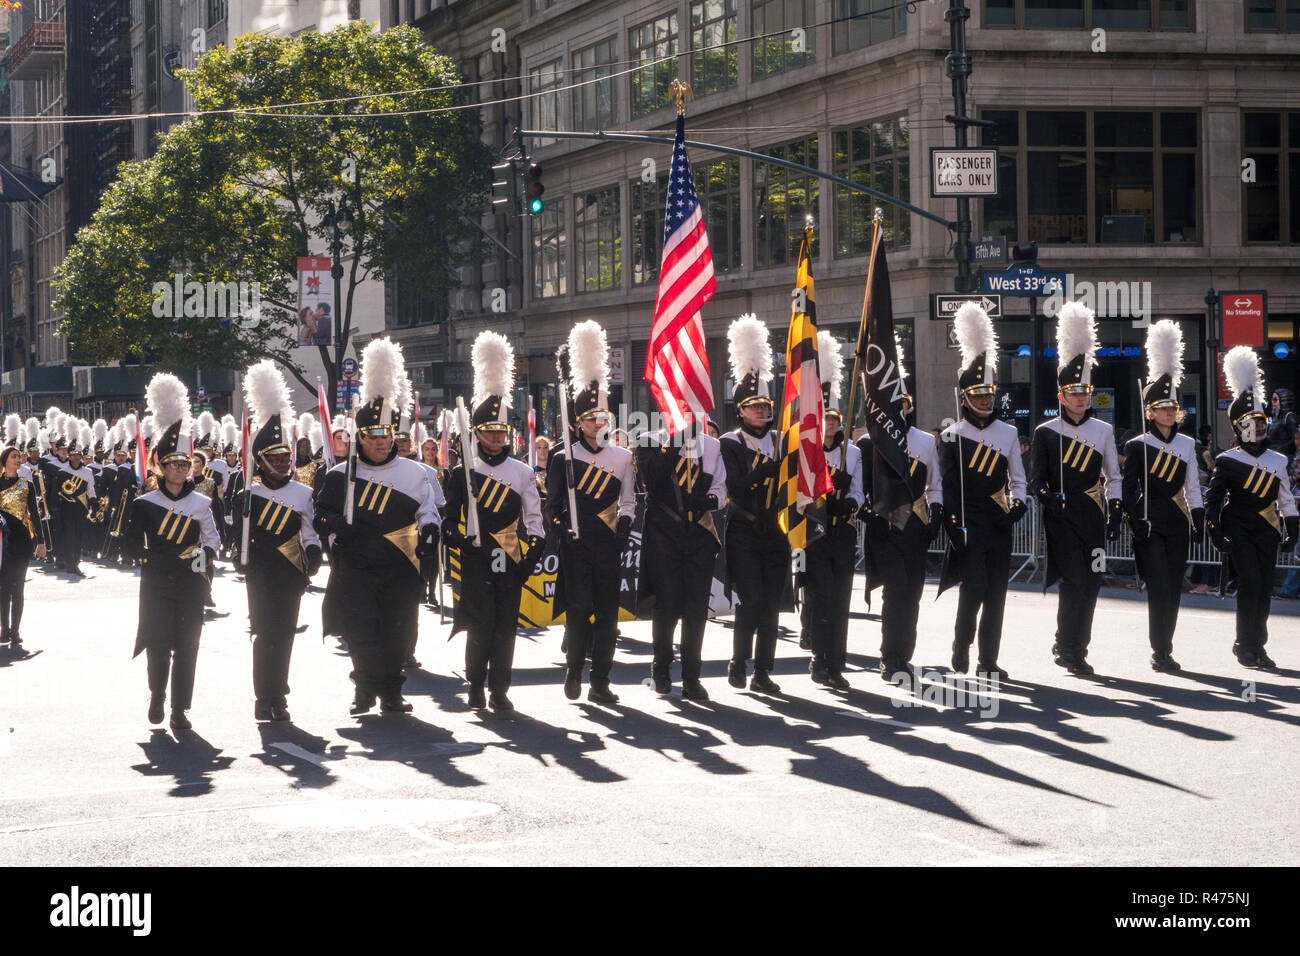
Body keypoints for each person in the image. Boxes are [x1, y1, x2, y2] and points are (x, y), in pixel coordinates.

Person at [313, 337, 440, 715]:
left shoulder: (416, 473)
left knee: (397, 633)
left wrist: (430, 530)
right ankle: (364, 689)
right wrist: (338, 524)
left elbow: (429, 511)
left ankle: (392, 691)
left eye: (388, 436)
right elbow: (319, 517)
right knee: (361, 632)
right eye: (375, 437)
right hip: (355, 566)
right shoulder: (339, 476)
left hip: (401, 565)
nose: (384, 443)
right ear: (361, 438)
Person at [443, 331, 544, 711]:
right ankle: (475, 684)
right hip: (475, 557)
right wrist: (462, 541)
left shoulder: (521, 472)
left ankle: (500, 688)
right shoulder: (461, 473)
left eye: (502, 432)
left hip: (509, 558)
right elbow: (450, 520)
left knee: (506, 628)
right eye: (490, 432)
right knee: (480, 625)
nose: (497, 438)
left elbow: (534, 519)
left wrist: (531, 557)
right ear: (477, 433)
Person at [1028, 302, 1122, 677]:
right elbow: (1035, 480)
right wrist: (1046, 497)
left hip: (1094, 517)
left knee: (1094, 579)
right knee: (1074, 580)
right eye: (1074, 392)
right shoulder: (1045, 432)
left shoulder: (1103, 431)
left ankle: (1078, 645)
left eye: (1085, 392)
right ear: (1061, 396)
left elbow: (1114, 476)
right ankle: (1067, 647)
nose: (1081, 399)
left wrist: (1115, 510)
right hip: (1062, 517)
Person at [123, 374, 221, 730]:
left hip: (191, 582)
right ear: (161, 467)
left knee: (188, 646)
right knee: (158, 642)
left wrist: (201, 562)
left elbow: (212, 541)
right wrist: (147, 558)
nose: (180, 469)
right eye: (174, 464)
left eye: (185, 464)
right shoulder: (144, 503)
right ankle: (157, 695)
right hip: (156, 583)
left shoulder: (201, 502)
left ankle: (181, 709)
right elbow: (129, 541)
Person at [546, 320, 635, 705]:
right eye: (590, 420)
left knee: (608, 616)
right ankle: (574, 668)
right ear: (577, 423)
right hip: (575, 546)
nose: (597, 425)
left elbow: (628, 500)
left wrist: (625, 525)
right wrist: (562, 527)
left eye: (602, 419)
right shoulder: (562, 457)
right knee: (579, 609)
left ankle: (601, 681)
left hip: (608, 546)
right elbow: (551, 505)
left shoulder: (622, 457)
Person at [938, 302, 1027, 680]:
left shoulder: (1008, 433)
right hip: (967, 524)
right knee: (972, 589)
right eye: (978, 397)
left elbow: (1019, 478)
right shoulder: (951, 436)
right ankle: (962, 644)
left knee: (997, 595)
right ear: (965, 398)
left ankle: (988, 660)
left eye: (989, 396)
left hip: (999, 522)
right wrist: (953, 525)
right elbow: (945, 486)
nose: (985, 402)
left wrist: (1019, 504)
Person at [232, 360, 323, 722]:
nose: (284, 463)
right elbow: (233, 535)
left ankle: (279, 695)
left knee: (284, 634)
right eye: (275, 458)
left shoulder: (303, 493)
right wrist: (236, 542)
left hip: (291, 571)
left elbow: (310, 531)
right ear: (260, 460)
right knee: (263, 633)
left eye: (286, 457)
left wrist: (313, 553)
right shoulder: (249, 494)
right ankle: (262, 696)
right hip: (259, 572)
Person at [1205, 347, 1298, 668]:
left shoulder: (1278, 460)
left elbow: (1285, 498)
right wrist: (1216, 535)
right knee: (1251, 584)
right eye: (1250, 423)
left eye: (1261, 422)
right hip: (1239, 530)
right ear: (1238, 427)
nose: (1258, 428)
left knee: (1264, 589)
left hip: (1267, 531)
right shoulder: (1227, 460)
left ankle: (1259, 645)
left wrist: (1292, 530)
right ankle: (1244, 644)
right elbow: (1213, 500)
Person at [1121, 320, 1205, 671]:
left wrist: (1198, 519)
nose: (1170, 413)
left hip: (1177, 521)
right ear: (1150, 411)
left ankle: (1166, 646)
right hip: (1149, 522)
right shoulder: (1137, 444)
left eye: (1173, 408)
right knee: (1158, 586)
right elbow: (1128, 488)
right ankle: (1160, 651)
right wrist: (1132, 520)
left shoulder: (1188, 444)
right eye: (1163, 408)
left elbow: (1193, 486)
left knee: (1173, 587)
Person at [861, 338, 941, 684]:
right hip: (884, 530)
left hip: (915, 530)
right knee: (894, 593)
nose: (900, 408)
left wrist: (935, 515)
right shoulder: (869, 442)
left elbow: (935, 485)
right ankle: (889, 656)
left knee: (912, 595)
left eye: (904, 403)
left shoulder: (925, 441)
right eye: (894, 402)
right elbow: (859, 489)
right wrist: (868, 513)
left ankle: (904, 655)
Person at [635, 406, 727, 701]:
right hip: (664, 534)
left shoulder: (712, 445)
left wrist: (710, 500)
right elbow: (654, 476)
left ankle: (692, 676)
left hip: (699, 533)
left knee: (696, 608)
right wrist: (676, 441)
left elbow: (721, 487)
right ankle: (661, 668)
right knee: (668, 604)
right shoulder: (650, 439)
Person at [720, 314, 789, 694]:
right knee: (750, 599)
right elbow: (735, 487)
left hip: (775, 529)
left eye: (766, 406)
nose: (763, 412)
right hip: (745, 528)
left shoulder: (780, 439)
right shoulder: (731, 442)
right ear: (742, 409)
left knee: (771, 604)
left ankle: (763, 670)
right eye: (755, 407)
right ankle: (738, 660)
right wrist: (765, 472)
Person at [799, 330, 862, 691]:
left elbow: (860, 491)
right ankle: (819, 659)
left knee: (840, 601)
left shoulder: (852, 451)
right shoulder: (808, 451)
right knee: (819, 598)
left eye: (836, 418)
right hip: (815, 532)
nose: (832, 423)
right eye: (826, 418)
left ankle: (837, 662)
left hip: (843, 532)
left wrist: (850, 500)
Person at [0, 447, 45, 648]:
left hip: (22, 541)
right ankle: (4, 629)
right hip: (2, 542)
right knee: (3, 587)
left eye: (19, 457)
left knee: (18, 587)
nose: (18, 459)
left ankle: (15, 630)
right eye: (14, 456)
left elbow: (34, 514)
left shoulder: (27, 485)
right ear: (5, 461)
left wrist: (42, 542)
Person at [53, 422, 98, 577]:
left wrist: (94, 504)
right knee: (69, 535)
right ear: (69, 456)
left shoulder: (88, 472)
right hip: (66, 509)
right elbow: (57, 492)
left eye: (79, 455)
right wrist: (56, 509)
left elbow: (91, 490)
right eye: (73, 455)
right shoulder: (62, 472)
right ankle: (70, 562)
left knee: (79, 535)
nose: (76, 458)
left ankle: (76, 561)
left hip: (81, 508)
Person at [1267, 387, 1297, 456]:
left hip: (1285, 457)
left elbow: (1295, 439)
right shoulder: (1275, 418)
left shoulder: (1289, 417)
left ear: (1283, 400)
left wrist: (1280, 449)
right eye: (1272, 399)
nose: (1272, 402)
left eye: (1275, 399)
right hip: (1273, 455)